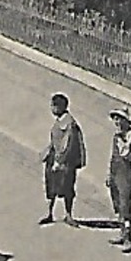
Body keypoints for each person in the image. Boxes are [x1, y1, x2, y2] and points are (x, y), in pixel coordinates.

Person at [40, 93, 86, 226]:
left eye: (53, 106)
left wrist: (59, 161)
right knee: (51, 186)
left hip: (64, 161)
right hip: (54, 157)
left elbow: (67, 144)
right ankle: (50, 213)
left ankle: (68, 214)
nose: (51, 109)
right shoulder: (60, 121)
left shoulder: (69, 123)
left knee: (67, 186)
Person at [106, 110, 131, 252]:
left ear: (126, 121)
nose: (117, 123)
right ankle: (121, 233)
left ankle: (128, 238)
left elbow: (126, 154)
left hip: (125, 172)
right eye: (115, 120)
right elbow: (113, 155)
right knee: (117, 203)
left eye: (119, 119)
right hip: (115, 170)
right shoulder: (116, 136)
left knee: (125, 205)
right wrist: (109, 174)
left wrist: (121, 139)